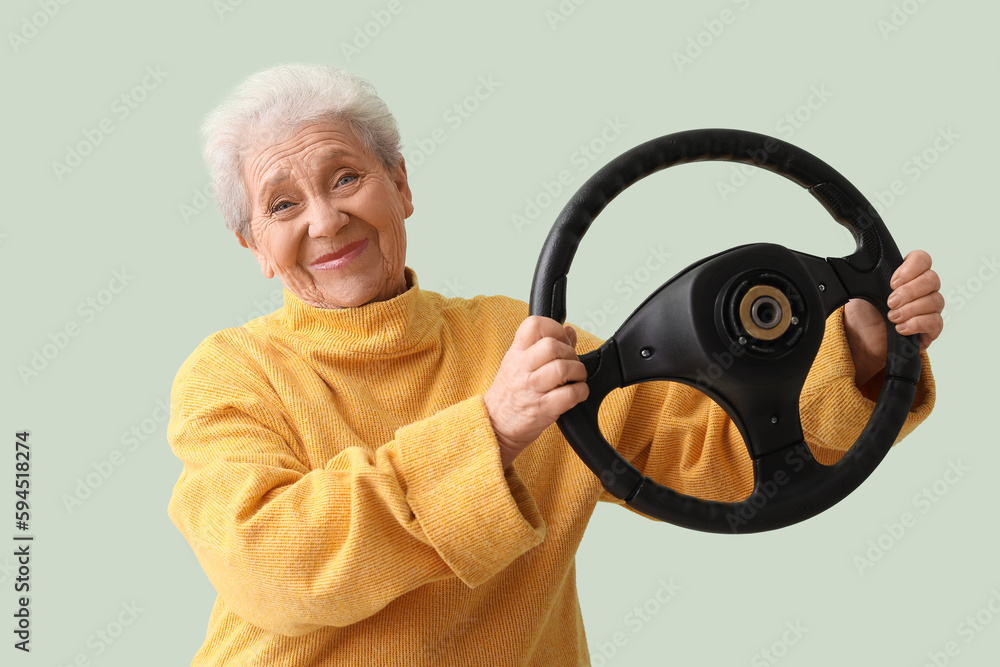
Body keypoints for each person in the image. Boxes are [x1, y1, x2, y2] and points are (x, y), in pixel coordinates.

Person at [166, 64, 941, 666]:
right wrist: (492, 431)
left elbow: (711, 459)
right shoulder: (230, 374)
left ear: (400, 185)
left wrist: (863, 357)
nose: (327, 219)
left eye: (346, 177)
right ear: (255, 249)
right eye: (282, 205)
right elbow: (267, 564)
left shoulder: (510, 334)